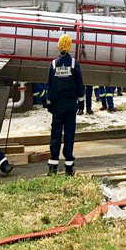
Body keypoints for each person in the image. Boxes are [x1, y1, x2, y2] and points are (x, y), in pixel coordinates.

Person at [47, 33, 85, 176]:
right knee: (69, 134)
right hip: (70, 106)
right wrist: (81, 103)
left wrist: (49, 103)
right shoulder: (74, 64)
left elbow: (50, 86)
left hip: (57, 106)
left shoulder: (53, 64)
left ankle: (53, 167)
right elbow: (80, 85)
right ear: (69, 47)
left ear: (58, 46)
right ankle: (69, 167)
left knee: (55, 134)